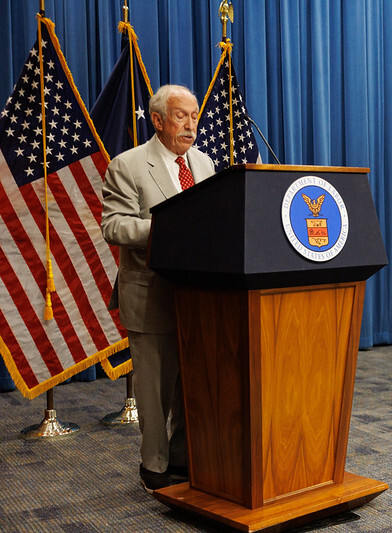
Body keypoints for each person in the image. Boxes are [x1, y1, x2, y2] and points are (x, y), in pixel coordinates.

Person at [101, 85, 216, 493]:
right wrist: (167, 229)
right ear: (159, 120)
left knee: (192, 383)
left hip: (198, 296)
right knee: (154, 388)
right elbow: (113, 226)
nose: (191, 125)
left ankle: (182, 457)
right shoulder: (129, 165)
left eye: (195, 116)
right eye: (182, 116)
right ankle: (154, 464)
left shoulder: (204, 164)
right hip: (151, 293)